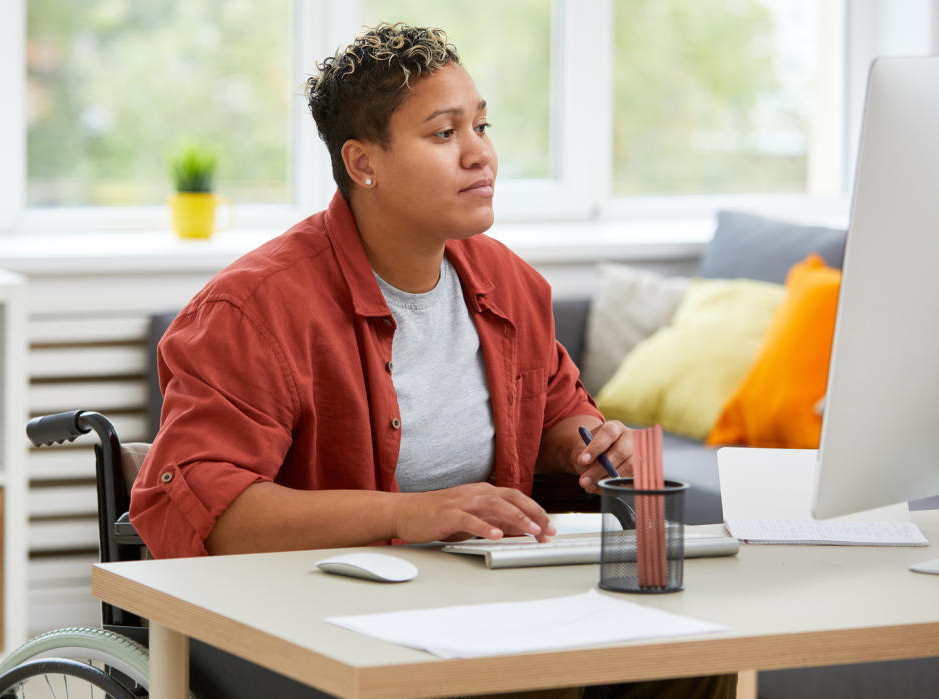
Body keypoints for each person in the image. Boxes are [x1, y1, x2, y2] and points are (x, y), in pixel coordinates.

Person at [131, 22, 733, 698]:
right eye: (445, 134)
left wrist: (591, 450)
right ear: (364, 163)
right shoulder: (251, 311)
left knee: (695, 658)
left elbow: (561, 413)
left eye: (482, 126)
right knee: (541, 679)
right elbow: (222, 516)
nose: (481, 155)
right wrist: (408, 513)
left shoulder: (510, 284)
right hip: (307, 620)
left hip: (475, 604)